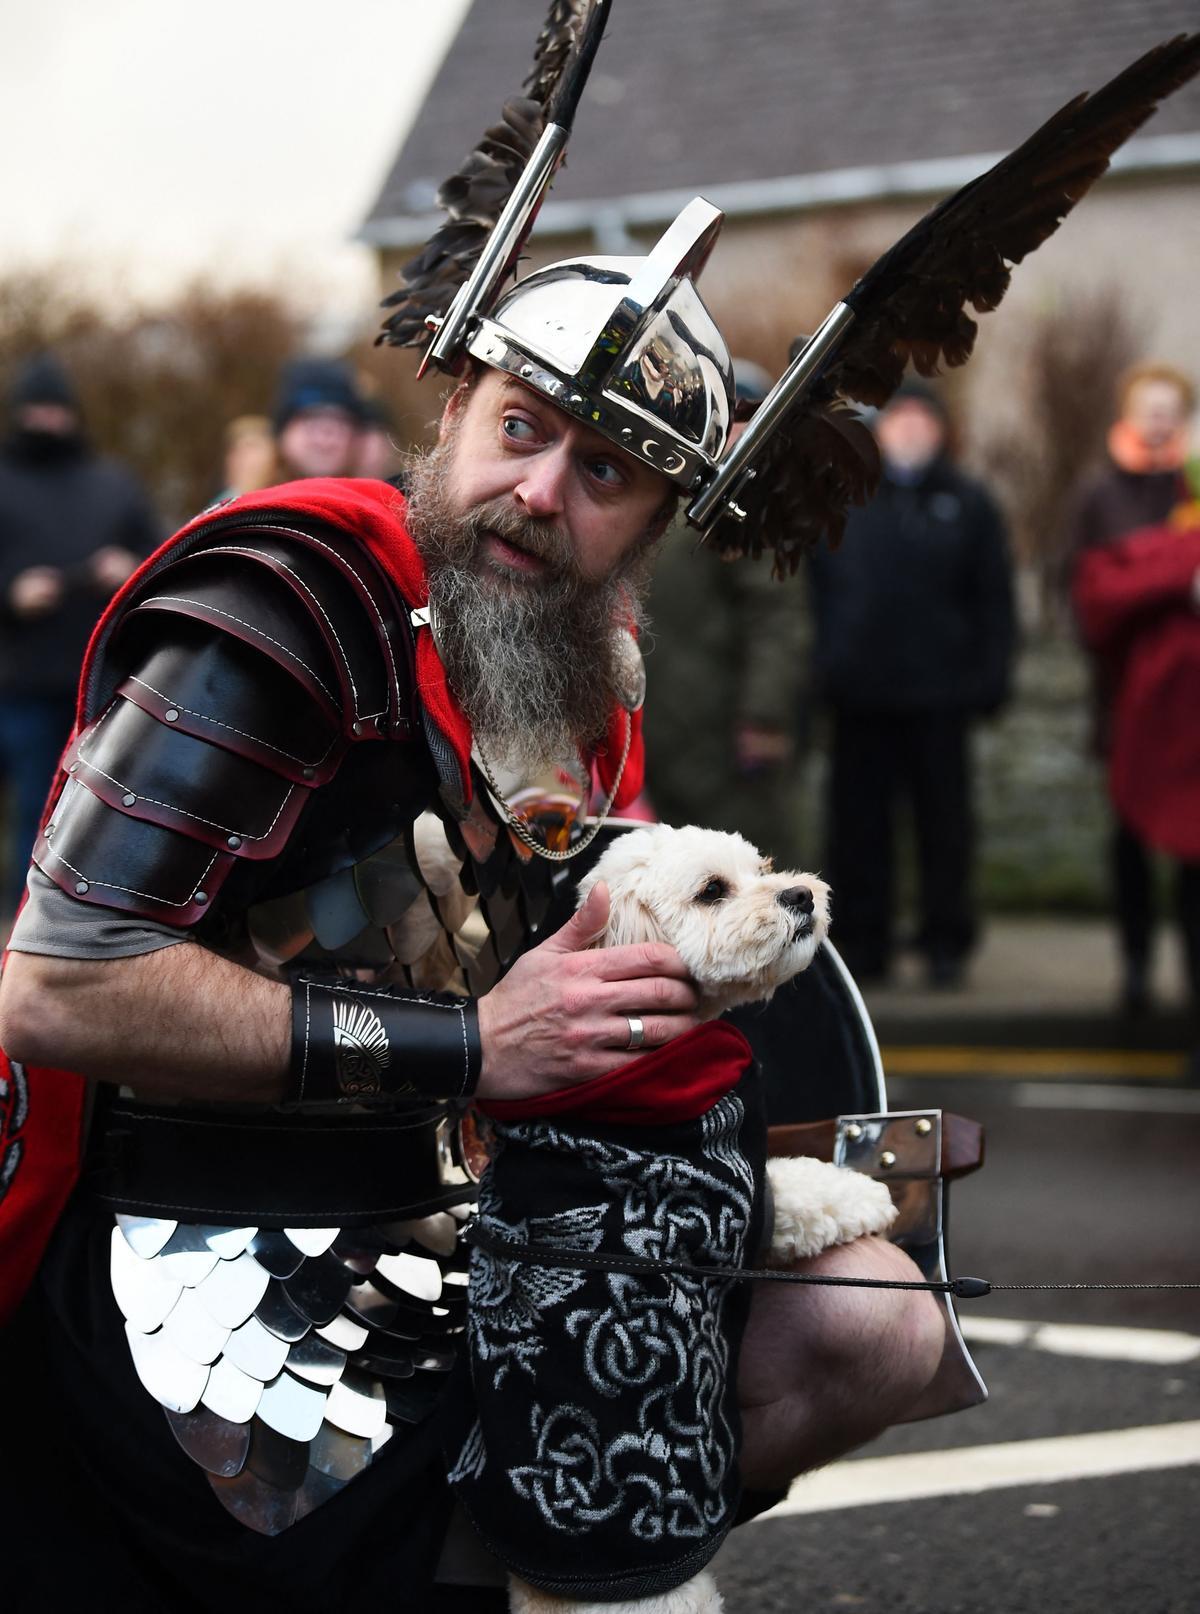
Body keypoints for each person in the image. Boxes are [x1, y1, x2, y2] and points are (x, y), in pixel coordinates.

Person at [0, 235, 944, 1613]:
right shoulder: (285, 610)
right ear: (450, 410)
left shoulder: (586, 679)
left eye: (606, 469)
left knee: (876, 1317)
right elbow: (57, 986)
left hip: (495, 1220)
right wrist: (468, 1042)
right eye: (522, 426)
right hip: (224, 1258)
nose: (542, 489)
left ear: (656, 519)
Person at [809, 379, 1015, 987]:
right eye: (900, 419)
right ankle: (862, 943)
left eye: (924, 420)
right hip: (860, 695)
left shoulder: (969, 502)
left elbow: (994, 602)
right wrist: (822, 670)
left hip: (939, 699)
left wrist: (989, 679)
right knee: (858, 827)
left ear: (942, 430)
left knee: (944, 827)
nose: (911, 430)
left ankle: (945, 941)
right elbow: (814, 595)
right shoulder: (843, 500)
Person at [0, 351, 160, 919]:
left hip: (104, 687)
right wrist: (11, 594)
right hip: (18, 682)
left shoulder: (112, 483)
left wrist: (132, 567)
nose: (45, 420)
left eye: (54, 408)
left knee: (96, 814)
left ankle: (79, 922)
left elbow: (165, 558)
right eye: (35, 409)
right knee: (31, 812)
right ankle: (24, 920)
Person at [1067, 362, 1199, 1019]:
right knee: (1130, 840)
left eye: (1172, 407)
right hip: (1126, 700)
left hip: (1187, 704)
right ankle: (1137, 970)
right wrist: (1173, 575)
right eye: (1150, 405)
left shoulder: (1189, 488)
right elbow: (1091, 593)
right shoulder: (1101, 493)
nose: (1160, 418)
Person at [641, 359, 811, 868]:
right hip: (663, 718)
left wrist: (764, 717)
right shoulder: (664, 488)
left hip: (725, 728)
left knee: (750, 864)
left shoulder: (746, 504)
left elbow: (778, 617)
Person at [272, 354, 368, 481]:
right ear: (283, 432)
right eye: (310, 420)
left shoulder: (388, 497)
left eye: (340, 422)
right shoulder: (243, 497)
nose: (324, 440)